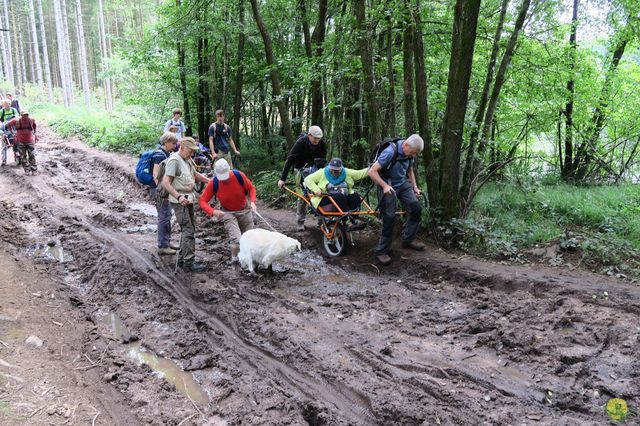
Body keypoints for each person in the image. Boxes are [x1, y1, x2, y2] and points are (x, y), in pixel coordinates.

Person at [368, 134, 425, 265]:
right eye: (412, 153)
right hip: (386, 183)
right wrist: (384, 186)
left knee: (416, 209)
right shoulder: (390, 152)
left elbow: (410, 170)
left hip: (402, 183)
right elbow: (372, 171)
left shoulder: (409, 154)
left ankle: (408, 240)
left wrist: (415, 187)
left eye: (415, 154)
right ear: (405, 145)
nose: (413, 156)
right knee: (389, 216)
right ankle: (381, 251)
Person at [161, 137, 210, 272]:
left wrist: (210, 182)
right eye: (190, 150)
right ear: (182, 148)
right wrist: (178, 196)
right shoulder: (174, 161)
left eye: (194, 151)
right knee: (188, 229)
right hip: (179, 201)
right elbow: (166, 182)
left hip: (188, 198)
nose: (192, 154)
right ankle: (189, 263)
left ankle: (183, 260)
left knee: (190, 228)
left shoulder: (187, 159)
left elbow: (195, 175)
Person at [199, 159, 257, 262]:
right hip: (228, 212)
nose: (224, 179)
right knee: (237, 239)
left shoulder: (239, 176)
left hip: (245, 209)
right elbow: (202, 201)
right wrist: (213, 212)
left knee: (250, 238)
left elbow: (251, 188)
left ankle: (251, 260)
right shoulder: (214, 183)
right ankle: (235, 260)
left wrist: (252, 202)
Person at [277, 125, 327, 231]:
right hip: (300, 169)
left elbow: (323, 160)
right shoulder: (300, 143)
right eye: (315, 138)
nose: (317, 141)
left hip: (316, 170)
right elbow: (290, 160)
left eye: (319, 139)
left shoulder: (321, 144)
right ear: (309, 135)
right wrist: (282, 179)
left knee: (319, 194)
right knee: (303, 196)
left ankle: (321, 221)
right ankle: (300, 222)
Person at [303, 157, 368, 229]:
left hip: (342, 198)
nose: (334, 172)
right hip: (325, 198)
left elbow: (360, 173)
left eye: (336, 170)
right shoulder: (323, 172)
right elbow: (308, 179)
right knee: (339, 196)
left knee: (355, 196)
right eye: (332, 169)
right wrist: (316, 190)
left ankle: (354, 219)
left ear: (341, 169)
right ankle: (346, 219)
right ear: (329, 167)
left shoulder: (345, 172)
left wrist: (373, 167)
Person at [151, 132, 179, 255]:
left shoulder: (166, 154)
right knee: (164, 217)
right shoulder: (159, 155)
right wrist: (162, 191)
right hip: (160, 191)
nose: (174, 145)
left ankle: (166, 242)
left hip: (163, 190)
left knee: (167, 215)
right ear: (166, 142)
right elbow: (155, 174)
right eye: (173, 143)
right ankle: (162, 245)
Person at [6, 109, 37, 175]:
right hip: (20, 141)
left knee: (32, 155)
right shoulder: (16, 120)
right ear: (21, 115)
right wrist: (12, 133)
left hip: (30, 140)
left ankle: (34, 169)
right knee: (23, 156)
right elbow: (8, 124)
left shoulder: (31, 119)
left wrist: (35, 133)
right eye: (24, 115)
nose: (25, 116)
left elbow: (34, 125)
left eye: (27, 115)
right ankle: (27, 169)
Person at [0, 99, 19, 166]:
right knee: (4, 146)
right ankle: (4, 161)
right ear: (3, 104)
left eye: (9, 103)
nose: (8, 105)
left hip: (13, 128)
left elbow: (17, 118)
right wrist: (1, 133)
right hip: (4, 128)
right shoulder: (2, 111)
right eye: (6, 103)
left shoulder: (13, 110)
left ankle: (17, 159)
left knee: (16, 144)